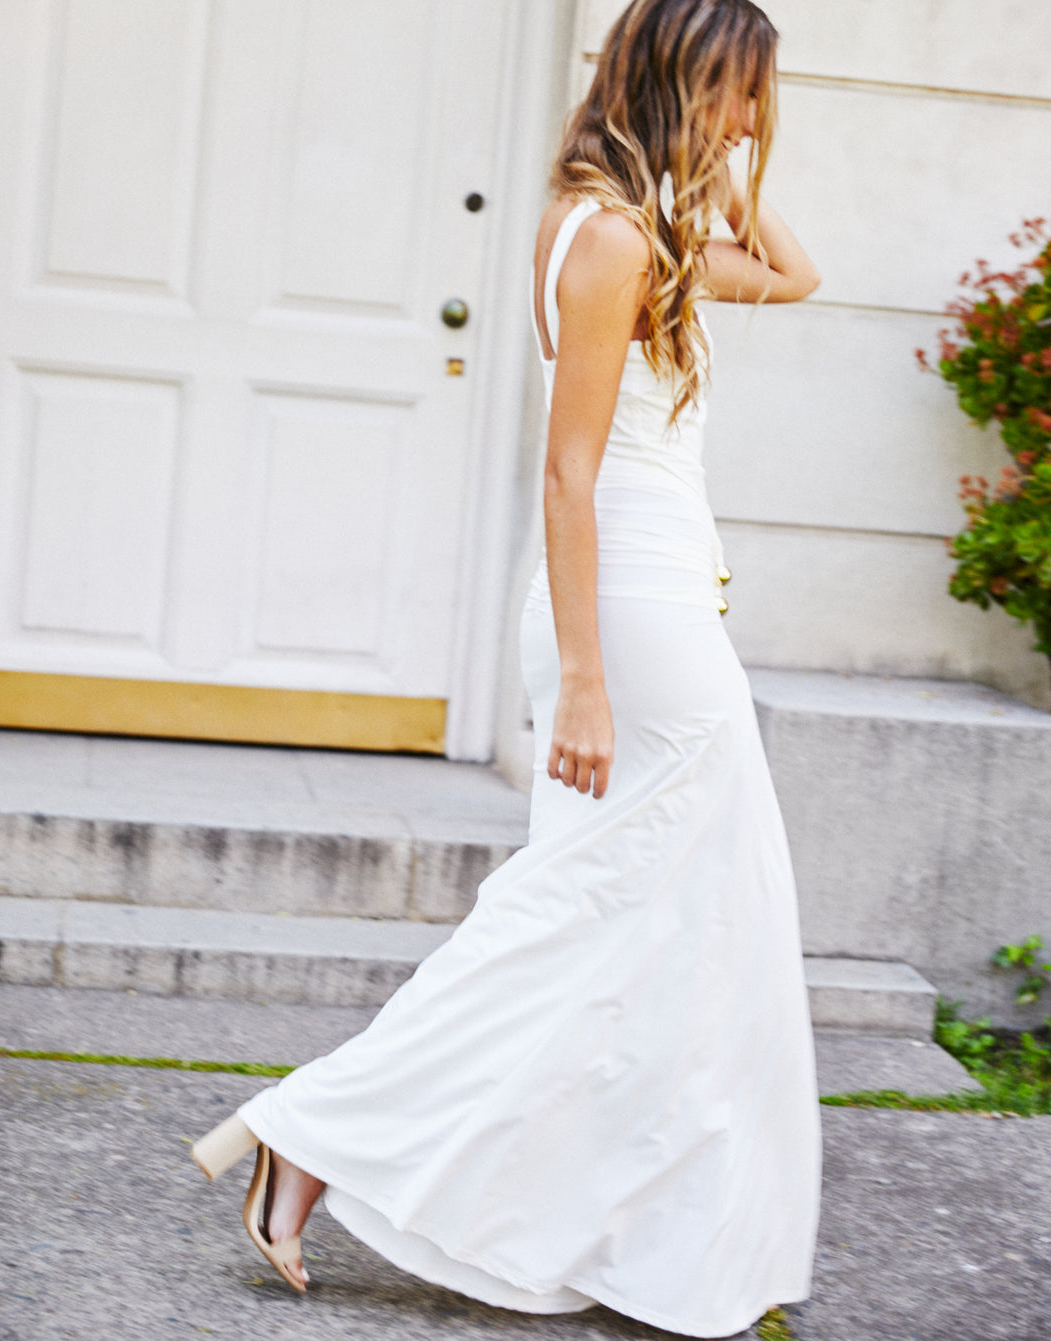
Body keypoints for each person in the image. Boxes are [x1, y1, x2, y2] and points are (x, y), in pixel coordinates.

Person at [192, 1, 822, 1334]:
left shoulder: (632, 223)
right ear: (679, 82)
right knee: (624, 911)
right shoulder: (606, 237)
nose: (752, 121)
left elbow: (797, 271)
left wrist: (729, 161)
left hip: (648, 600)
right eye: (738, 94)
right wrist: (586, 679)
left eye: (759, 100)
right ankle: (317, 1123)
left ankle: (346, 1150)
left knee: (626, 918)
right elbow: (569, 468)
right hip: (631, 614)